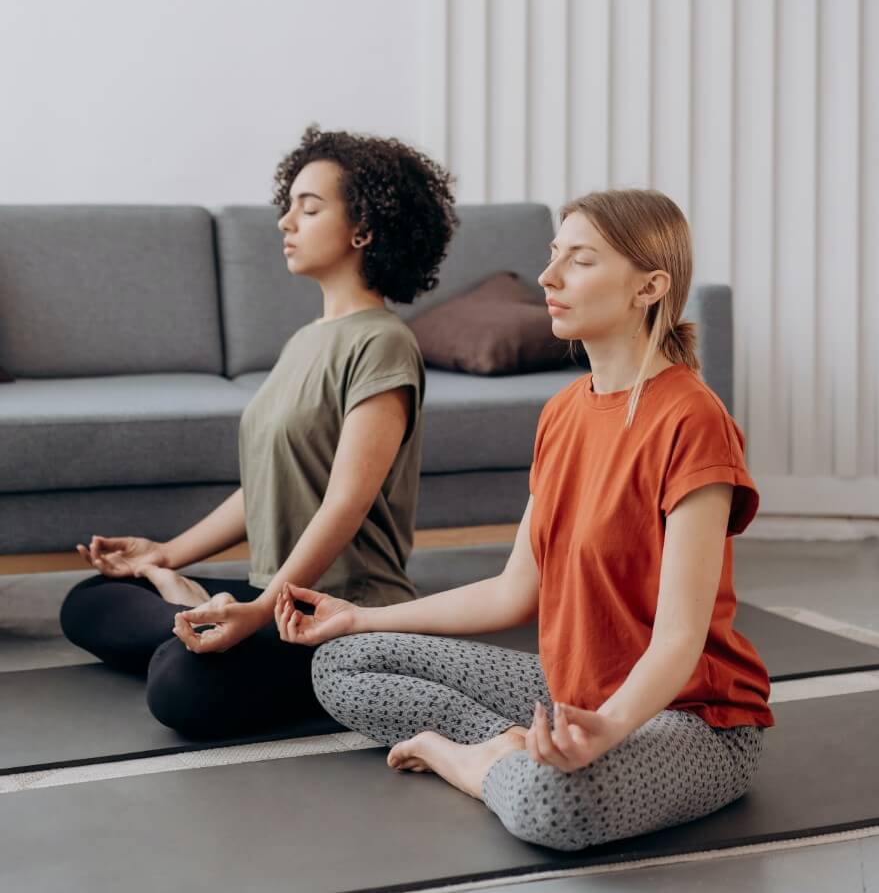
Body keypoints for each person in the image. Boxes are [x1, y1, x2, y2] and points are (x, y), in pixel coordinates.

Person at [273, 188, 774, 852]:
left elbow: (680, 639)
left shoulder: (693, 420)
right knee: (342, 662)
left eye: (581, 260)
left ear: (649, 286)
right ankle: (512, 744)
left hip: (690, 718)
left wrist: (611, 726)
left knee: (555, 804)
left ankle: (478, 760)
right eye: (552, 254)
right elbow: (515, 591)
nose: (548, 276)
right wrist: (358, 615)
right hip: (567, 686)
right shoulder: (562, 412)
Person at [59, 124, 457, 738]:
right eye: (288, 205)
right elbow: (268, 485)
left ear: (365, 229)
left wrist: (263, 611)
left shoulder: (383, 343)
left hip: (339, 606)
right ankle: (196, 612)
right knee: (87, 599)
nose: (285, 222)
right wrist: (165, 554)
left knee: (179, 687)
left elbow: (346, 502)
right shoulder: (304, 341)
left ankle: (203, 623)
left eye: (310, 207)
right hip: (272, 591)